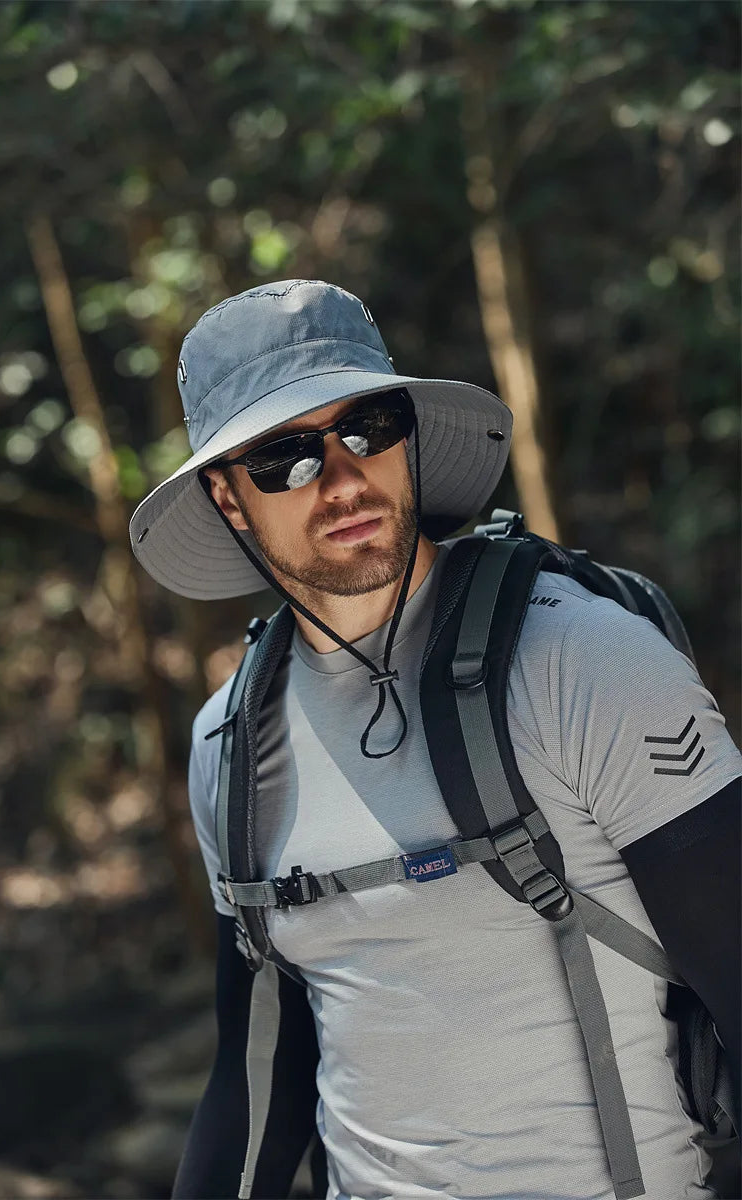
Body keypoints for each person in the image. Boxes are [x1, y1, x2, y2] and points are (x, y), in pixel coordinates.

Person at [129, 279, 741, 1200]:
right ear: (227, 496)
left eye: (367, 428)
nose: (343, 479)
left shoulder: (582, 661)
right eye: (286, 458)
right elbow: (256, 1086)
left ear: (407, 435)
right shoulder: (231, 746)